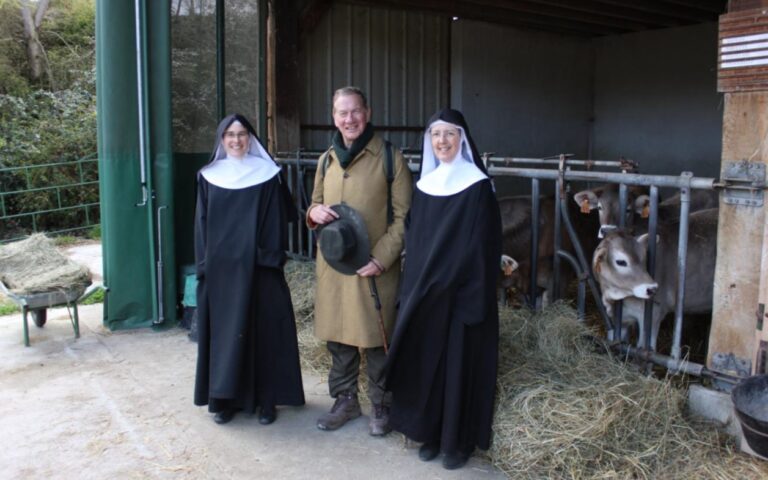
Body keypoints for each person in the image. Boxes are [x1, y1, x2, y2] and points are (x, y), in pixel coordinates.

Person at [384, 108, 502, 470]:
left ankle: (458, 443)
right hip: (427, 296)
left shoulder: (477, 187)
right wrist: (414, 289)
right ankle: (430, 435)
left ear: (462, 139)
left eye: (449, 134)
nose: (442, 141)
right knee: (428, 367)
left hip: (462, 296)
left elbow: (483, 246)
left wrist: (462, 289)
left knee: (458, 369)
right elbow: (416, 243)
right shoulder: (425, 186)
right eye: (436, 135)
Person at [307, 86, 412, 436]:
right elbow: (314, 203)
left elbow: (404, 217)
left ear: (367, 113)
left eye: (355, 111)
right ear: (333, 117)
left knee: (377, 336)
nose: (349, 119)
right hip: (335, 264)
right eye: (342, 113)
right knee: (339, 337)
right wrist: (313, 213)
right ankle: (345, 399)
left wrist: (382, 258)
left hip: (373, 267)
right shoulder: (326, 160)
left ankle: (381, 403)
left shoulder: (389, 157)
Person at [193, 113, 305, 425]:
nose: (236, 140)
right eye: (230, 134)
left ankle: (267, 401)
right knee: (226, 337)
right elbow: (201, 225)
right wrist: (205, 265)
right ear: (222, 139)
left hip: (260, 268)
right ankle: (225, 400)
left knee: (264, 334)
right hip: (222, 274)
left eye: (241, 134)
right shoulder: (208, 177)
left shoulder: (268, 174)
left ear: (250, 138)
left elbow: (275, 223)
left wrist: (265, 258)